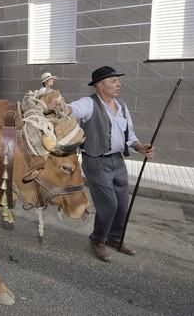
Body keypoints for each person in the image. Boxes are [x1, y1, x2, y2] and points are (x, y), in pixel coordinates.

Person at [66, 66, 153, 263]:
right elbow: (73, 109)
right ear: (99, 85)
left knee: (122, 205)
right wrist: (60, 106)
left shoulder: (121, 105)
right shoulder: (89, 103)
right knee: (109, 205)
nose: (118, 84)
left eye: (118, 80)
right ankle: (98, 240)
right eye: (113, 81)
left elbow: (129, 134)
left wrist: (140, 146)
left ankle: (115, 238)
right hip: (96, 161)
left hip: (118, 161)